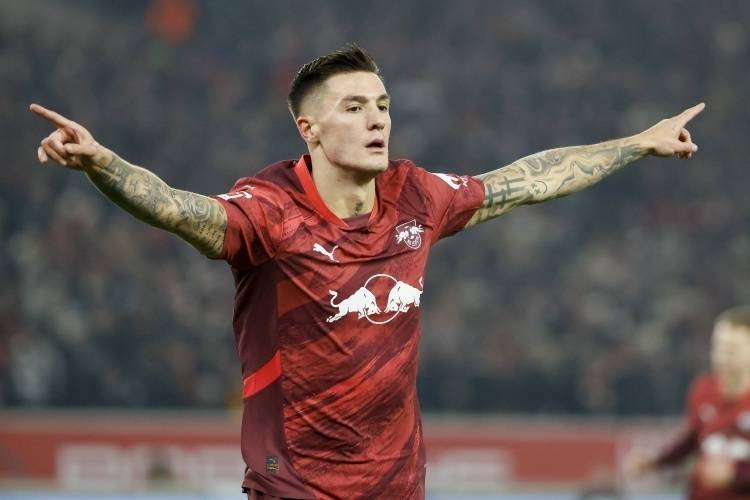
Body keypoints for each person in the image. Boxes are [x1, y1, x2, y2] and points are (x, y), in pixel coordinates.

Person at [31, 44, 704, 499]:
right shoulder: (271, 212)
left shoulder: (417, 196)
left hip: (397, 484)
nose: (377, 119)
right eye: (353, 107)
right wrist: (103, 164)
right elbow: (179, 210)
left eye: (382, 104)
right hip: (294, 484)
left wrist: (636, 143)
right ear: (309, 129)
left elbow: (525, 180)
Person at [627, 306, 750, 499]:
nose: (722, 355)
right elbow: (693, 440)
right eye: (718, 346)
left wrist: (736, 475)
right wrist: (656, 461)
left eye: (732, 348)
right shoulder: (703, 389)